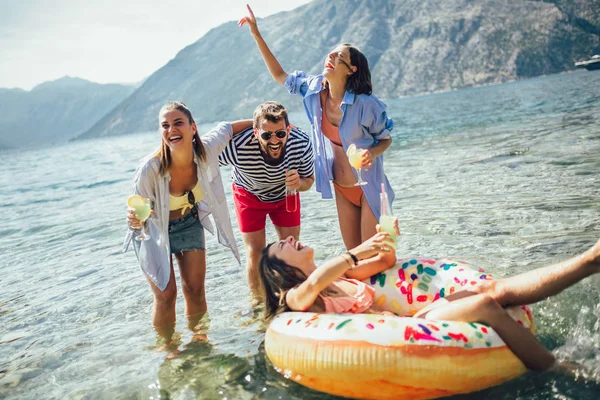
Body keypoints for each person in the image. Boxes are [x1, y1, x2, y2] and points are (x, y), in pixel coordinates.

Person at [258, 225, 600, 372]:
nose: (290, 239)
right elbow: (313, 284)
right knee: (484, 306)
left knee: (490, 291)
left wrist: (384, 239)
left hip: (412, 322)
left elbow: (385, 264)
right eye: (282, 246)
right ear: (280, 271)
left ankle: (588, 262)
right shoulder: (297, 297)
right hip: (402, 338)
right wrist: (354, 252)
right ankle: (557, 367)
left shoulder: (342, 279)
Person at [239, 5, 395, 254]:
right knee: (353, 256)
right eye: (330, 54)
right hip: (341, 188)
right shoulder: (313, 91)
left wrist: (372, 153)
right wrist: (257, 34)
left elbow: (385, 139)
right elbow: (280, 75)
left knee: (371, 254)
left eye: (339, 57)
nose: (330, 58)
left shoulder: (367, 105)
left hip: (369, 187)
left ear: (351, 69)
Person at [123, 101, 253, 340]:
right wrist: (133, 219)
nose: (171, 129)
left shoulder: (207, 150)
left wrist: (261, 123)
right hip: (153, 231)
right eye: (165, 125)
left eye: (178, 123)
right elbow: (137, 216)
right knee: (166, 295)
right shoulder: (150, 169)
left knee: (195, 291)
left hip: (189, 222)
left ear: (193, 128)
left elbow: (227, 128)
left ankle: (199, 342)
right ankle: (168, 349)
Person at [218, 101, 314, 292]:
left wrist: (299, 183)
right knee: (256, 252)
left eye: (280, 133)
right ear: (256, 133)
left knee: (290, 248)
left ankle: (293, 296)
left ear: (288, 130)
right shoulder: (238, 146)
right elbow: (201, 158)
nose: (274, 141)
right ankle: (258, 304)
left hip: (285, 194)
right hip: (249, 195)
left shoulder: (301, 143)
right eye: (266, 135)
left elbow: (309, 180)